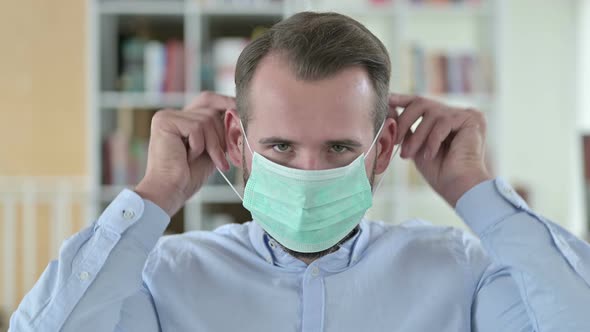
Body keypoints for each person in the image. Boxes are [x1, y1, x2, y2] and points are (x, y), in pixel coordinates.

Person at [10, 12, 590, 332]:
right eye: (281, 146)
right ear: (237, 141)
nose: (309, 173)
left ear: (383, 148)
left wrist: (476, 192)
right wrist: (156, 193)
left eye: (339, 147)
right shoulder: (166, 278)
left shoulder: (462, 273)